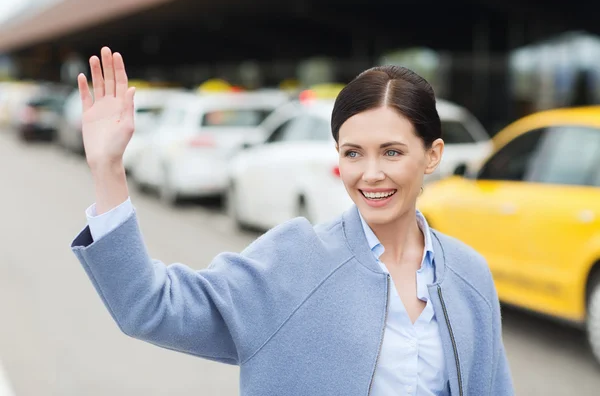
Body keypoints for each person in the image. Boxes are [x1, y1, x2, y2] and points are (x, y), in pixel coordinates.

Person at [71, 47, 514, 396]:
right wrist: (108, 169)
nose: (371, 173)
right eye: (353, 153)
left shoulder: (469, 274)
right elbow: (150, 307)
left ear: (432, 155)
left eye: (392, 152)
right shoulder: (294, 259)